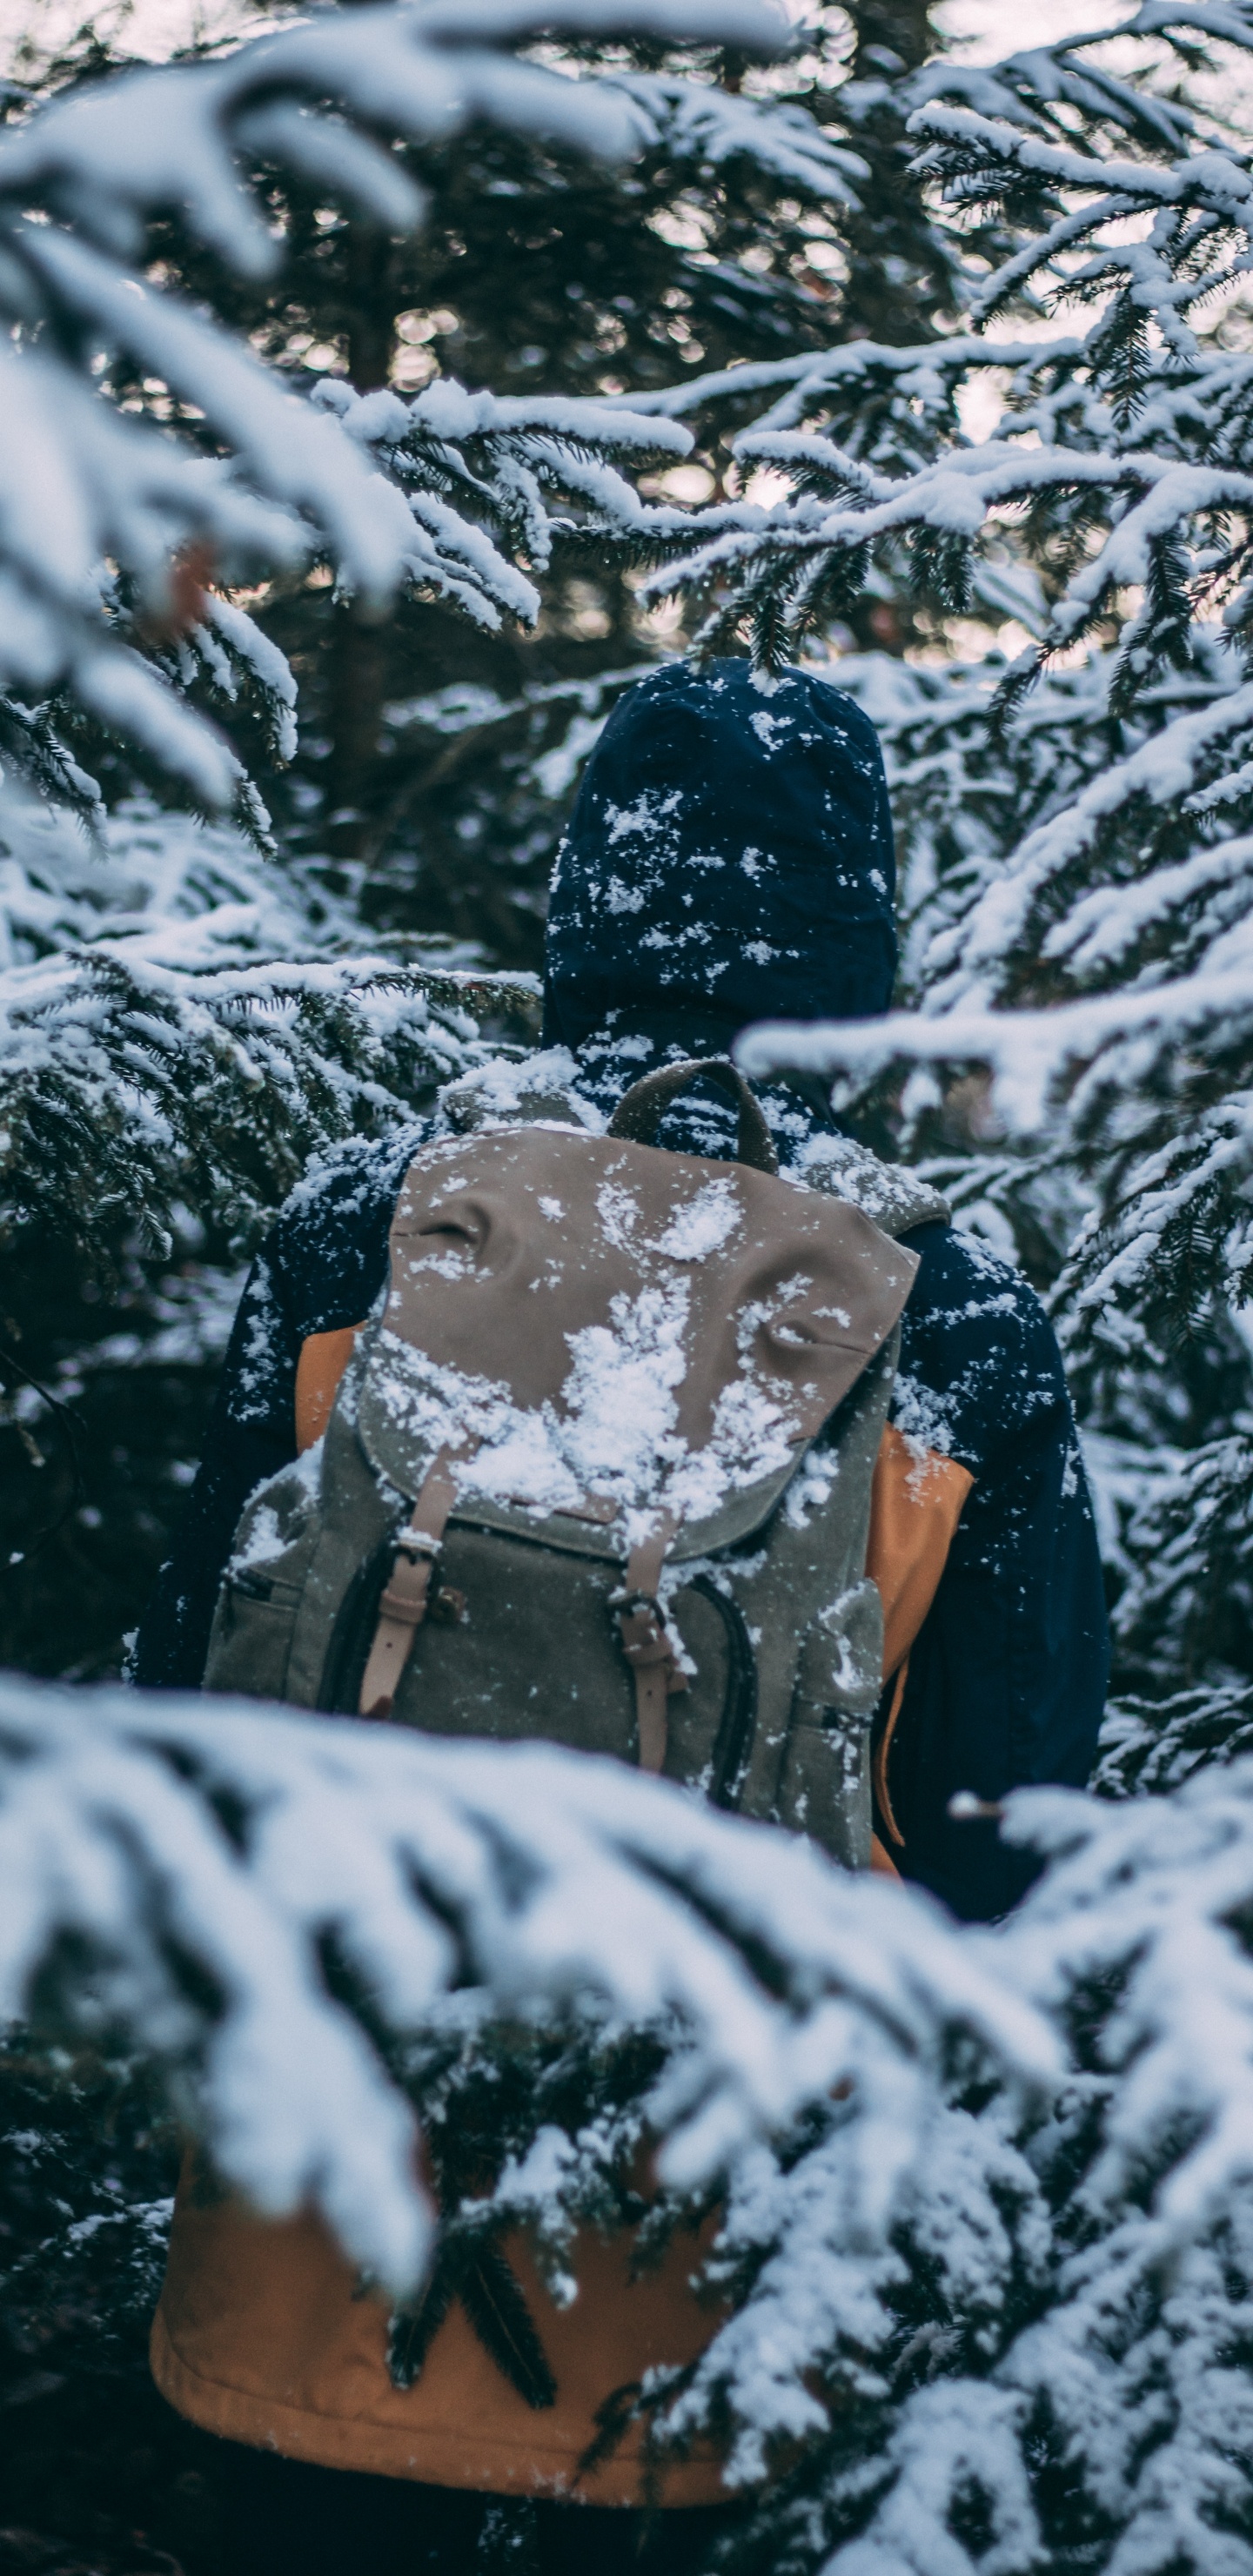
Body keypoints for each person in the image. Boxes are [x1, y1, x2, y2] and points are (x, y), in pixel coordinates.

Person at [134, 657, 1109, 2575]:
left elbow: (191, 1693)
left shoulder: (377, 1229)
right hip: (712, 2309)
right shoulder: (956, 1318)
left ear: (586, 905)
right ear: (862, 949)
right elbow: (1016, 1831)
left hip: (298, 2259)